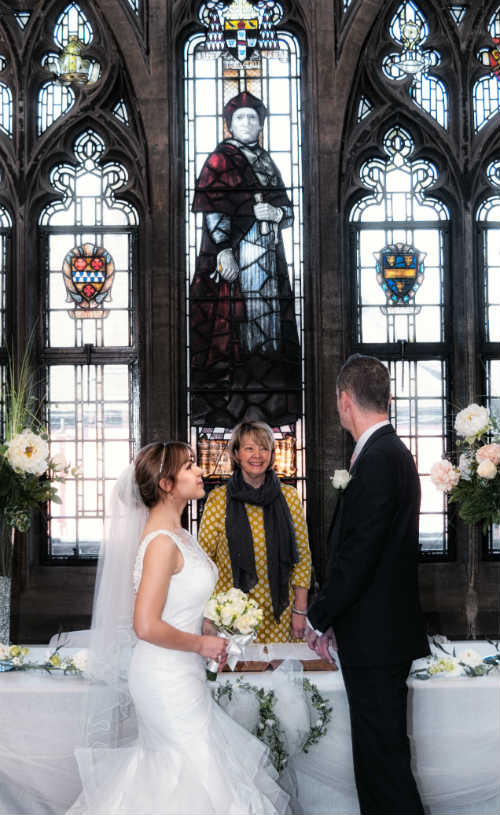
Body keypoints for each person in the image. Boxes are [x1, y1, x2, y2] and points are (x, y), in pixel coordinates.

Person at [67, 441, 289, 814]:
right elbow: (146, 625)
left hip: (183, 672)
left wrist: (208, 623)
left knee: (187, 773)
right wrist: (202, 643)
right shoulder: (160, 543)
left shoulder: (179, 535)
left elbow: (177, 604)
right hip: (163, 676)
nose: (199, 470)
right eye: (189, 466)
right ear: (166, 484)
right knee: (195, 772)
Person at [306, 354, 429, 815]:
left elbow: (359, 554)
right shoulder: (387, 453)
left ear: (344, 400)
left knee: (384, 769)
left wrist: (320, 616)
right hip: (377, 635)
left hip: (377, 642)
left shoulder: (378, 459)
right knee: (380, 765)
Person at [189, 90, 301, 428]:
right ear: (229, 125)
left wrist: (277, 212)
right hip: (238, 255)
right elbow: (212, 209)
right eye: (241, 117)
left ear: (261, 124)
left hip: (268, 258)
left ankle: (270, 400)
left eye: (253, 117)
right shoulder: (219, 160)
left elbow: (288, 210)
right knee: (235, 326)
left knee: (267, 329)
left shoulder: (266, 162)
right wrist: (223, 250)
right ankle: (233, 404)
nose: (248, 123)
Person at [199, 421, 311, 642]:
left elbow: (302, 559)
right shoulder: (218, 500)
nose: (257, 455)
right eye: (249, 448)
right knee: (237, 675)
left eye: (264, 448)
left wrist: (300, 609)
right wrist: (209, 615)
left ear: (272, 454)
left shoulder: (289, 498)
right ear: (237, 454)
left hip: (280, 613)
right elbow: (204, 560)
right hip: (232, 614)